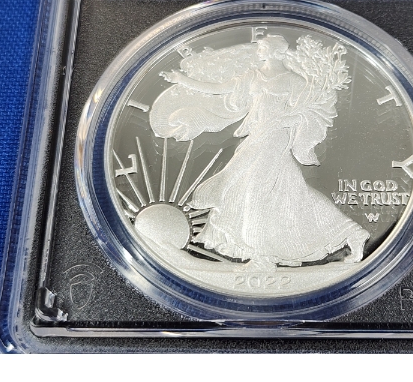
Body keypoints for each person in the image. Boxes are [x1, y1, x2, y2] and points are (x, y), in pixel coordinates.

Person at [158, 34, 369, 270]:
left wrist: (283, 120)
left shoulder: (293, 81)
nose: (258, 50)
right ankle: (352, 232)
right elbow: (218, 89)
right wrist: (181, 79)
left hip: (276, 138)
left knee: (255, 191)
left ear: (276, 51)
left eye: (263, 47)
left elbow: (312, 110)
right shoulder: (252, 76)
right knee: (279, 191)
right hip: (257, 136)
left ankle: (262, 255)